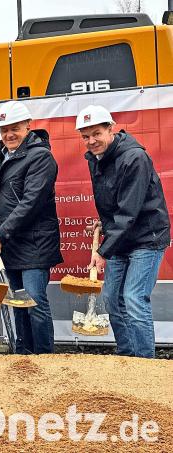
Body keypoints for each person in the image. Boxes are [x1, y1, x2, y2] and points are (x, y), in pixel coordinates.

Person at [77, 105, 170, 358]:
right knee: (111, 297)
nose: (91, 141)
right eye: (85, 136)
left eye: (96, 133)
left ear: (111, 129)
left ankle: (145, 362)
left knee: (133, 298)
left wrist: (102, 251)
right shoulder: (96, 158)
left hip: (146, 238)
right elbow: (113, 203)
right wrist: (103, 225)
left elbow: (129, 211)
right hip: (121, 238)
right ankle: (127, 358)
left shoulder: (134, 158)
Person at [0, 101, 62, 355]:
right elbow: (11, 197)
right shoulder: (7, 155)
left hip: (35, 243)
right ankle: (23, 357)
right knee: (18, 303)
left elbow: (31, 202)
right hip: (13, 244)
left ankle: (43, 358)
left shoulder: (41, 157)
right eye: (4, 130)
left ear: (28, 126)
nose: (9, 134)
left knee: (34, 302)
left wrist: (1, 234)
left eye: (14, 128)